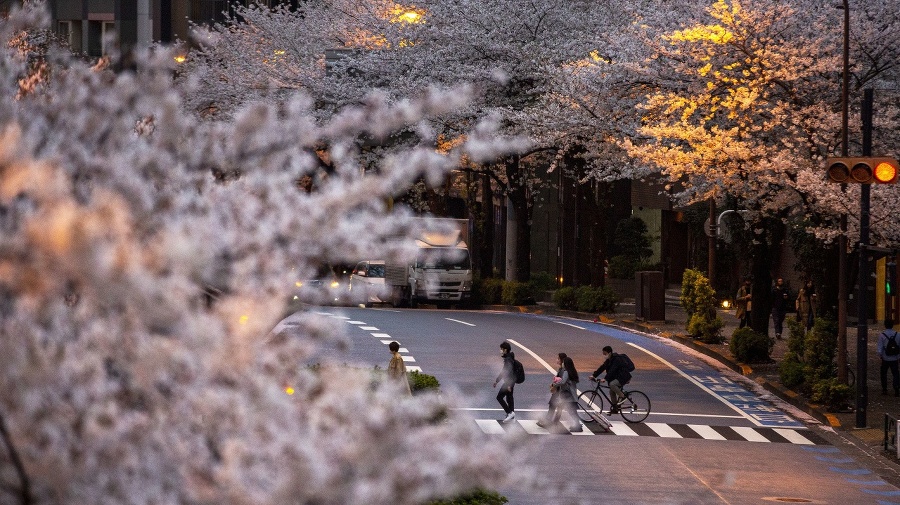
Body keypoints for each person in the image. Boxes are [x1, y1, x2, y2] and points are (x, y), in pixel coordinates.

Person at [537, 353, 582, 432]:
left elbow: (563, 381)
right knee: (567, 410)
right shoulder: (569, 371)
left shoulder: (566, 371)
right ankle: (554, 423)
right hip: (567, 394)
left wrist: (554, 384)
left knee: (570, 410)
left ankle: (577, 426)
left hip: (567, 395)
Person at [589, 346, 632, 413]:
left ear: (610, 353)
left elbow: (612, 370)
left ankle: (623, 396)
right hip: (618, 377)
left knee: (612, 384)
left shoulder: (616, 359)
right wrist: (594, 375)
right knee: (611, 391)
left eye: (605, 354)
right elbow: (602, 367)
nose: (604, 355)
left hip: (623, 377)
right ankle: (615, 408)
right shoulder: (609, 360)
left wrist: (605, 379)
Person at [492, 341, 516, 423]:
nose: (500, 351)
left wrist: (509, 385)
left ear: (505, 350)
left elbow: (508, 372)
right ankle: (511, 417)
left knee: (499, 397)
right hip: (511, 382)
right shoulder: (510, 357)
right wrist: (497, 381)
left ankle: (509, 413)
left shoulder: (508, 360)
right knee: (509, 398)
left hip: (509, 382)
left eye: (501, 349)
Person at [878, 319, 900, 397]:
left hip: (885, 358)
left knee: (883, 373)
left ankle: (884, 389)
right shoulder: (898, 334)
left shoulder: (882, 335)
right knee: (895, 373)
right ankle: (896, 388)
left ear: (885, 325)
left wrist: (880, 356)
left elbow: (880, 348)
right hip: (894, 358)